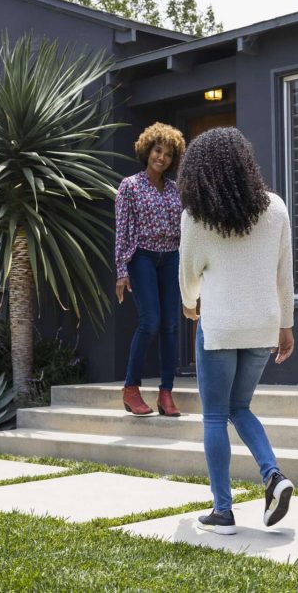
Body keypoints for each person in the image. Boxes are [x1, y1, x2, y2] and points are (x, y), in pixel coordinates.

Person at [178, 127, 296, 536]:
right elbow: (285, 275)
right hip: (263, 324)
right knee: (239, 407)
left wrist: (190, 306)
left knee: (214, 415)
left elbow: (188, 275)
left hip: (221, 327)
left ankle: (223, 511)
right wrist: (286, 324)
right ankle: (273, 475)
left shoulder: (196, 217)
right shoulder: (276, 207)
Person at [115, 123, 187, 417]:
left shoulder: (174, 189)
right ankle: (131, 388)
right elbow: (122, 229)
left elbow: (184, 228)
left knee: (171, 324)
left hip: (170, 257)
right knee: (151, 321)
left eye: (169, 154)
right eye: (158, 151)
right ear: (148, 150)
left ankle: (166, 393)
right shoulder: (130, 186)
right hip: (141, 256)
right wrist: (122, 269)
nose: (163, 158)